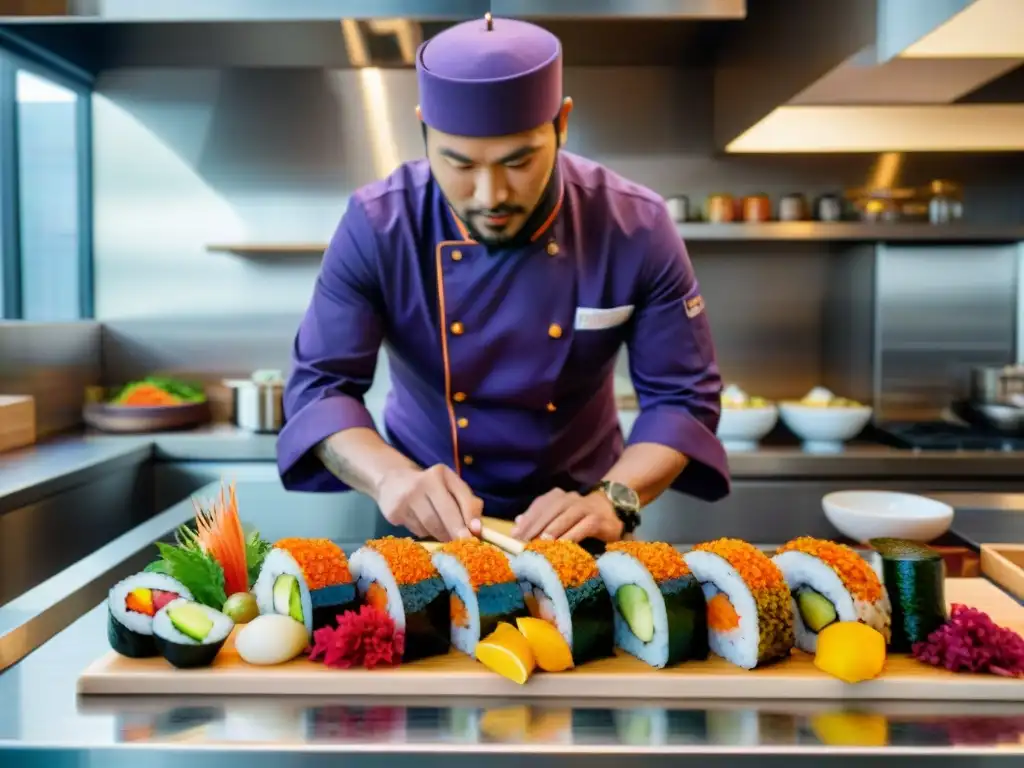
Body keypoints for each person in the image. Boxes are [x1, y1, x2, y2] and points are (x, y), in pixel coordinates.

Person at [276, 14, 730, 546]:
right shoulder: (379, 226)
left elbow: (681, 398)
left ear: (561, 123)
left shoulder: (635, 225)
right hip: (425, 523)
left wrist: (616, 498)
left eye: (518, 161)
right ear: (423, 127)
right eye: (459, 163)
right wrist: (389, 476)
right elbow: (320, 389)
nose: (490, 195)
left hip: (583, 520)